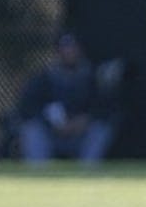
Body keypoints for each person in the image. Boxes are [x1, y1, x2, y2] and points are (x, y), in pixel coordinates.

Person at [15, 32, 121, 166]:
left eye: (73, 47)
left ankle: (88, 171)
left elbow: (108, 109)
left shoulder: (93, 78)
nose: (69, 51)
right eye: (65, 47)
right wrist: (51, 122)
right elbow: (27, 108)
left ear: (80, 49)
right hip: (52, 134)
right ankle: (38, 171)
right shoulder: (44, 79)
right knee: (31, 128)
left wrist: (86, 120)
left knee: (101, 128)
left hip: (81, 137)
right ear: (58, 51)